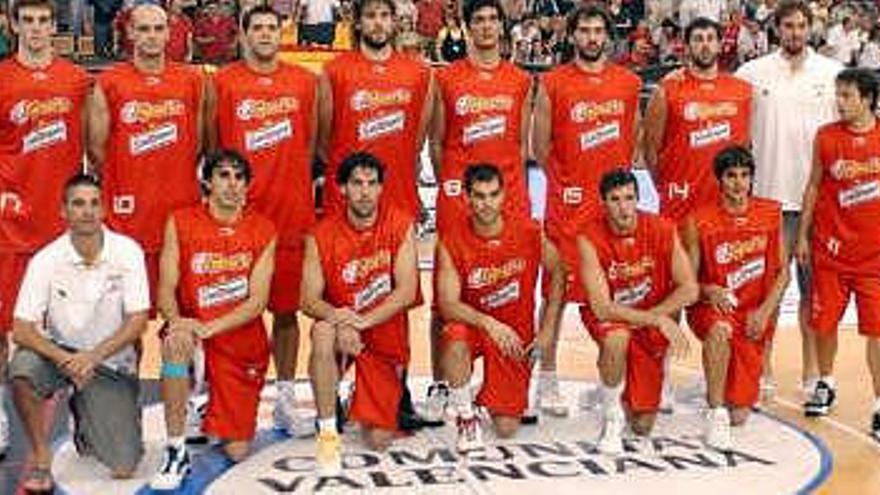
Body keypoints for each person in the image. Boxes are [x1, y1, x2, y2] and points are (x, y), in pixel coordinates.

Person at [207, 3, 318, 436]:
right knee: (230, 311)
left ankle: (286, 398)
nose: (266, 34)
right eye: (258, 28)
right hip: (238, 216)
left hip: (291, 215)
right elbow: (214, 146)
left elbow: (313, 146)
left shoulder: (306, 83)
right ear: (244, 33)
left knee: (287, 314)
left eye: (273, 27)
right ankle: (221, 399)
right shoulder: (224, 83)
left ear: (282, 31)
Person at [532, 3, 642, 416]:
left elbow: (632, 139)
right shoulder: (553, 82)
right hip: (568, 206)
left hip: (612, 207)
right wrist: (569, 182)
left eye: (599, 31)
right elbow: (539, 148)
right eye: (585, 30)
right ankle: (547, 378)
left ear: (607, 37)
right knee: (556, 292)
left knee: (612, 292)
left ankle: (607, 382)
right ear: (573, 36)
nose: (592, 37)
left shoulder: (629, 83)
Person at [426, 0, 533, 420]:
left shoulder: (521, 80)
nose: (487, 27)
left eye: (493, 20)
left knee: (516, 288)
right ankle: (442, 384)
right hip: (459, 191)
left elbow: (522, 143)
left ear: (502, 28)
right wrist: (450, 182)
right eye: (479, 21)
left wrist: (515, 189)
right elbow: (436, 141)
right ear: (467, 28)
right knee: (445, 295)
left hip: (509, 192)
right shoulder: (447, 78)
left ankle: (512, 376)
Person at [10, 173, 149, 492]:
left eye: (94, 203)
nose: (87, 211)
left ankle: (88, 415)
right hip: (61, 356)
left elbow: (138, 319)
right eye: (78, 204)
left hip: (109, 360)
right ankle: (42, 455)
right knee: (22, 371)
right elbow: (21, 329)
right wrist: (65, 359)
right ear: (64, 211)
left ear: (104, 209)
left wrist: (93, 357)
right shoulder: (46, 259)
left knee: (125, 465)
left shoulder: (128, 251)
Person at [150, 150, 277, 489]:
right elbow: (166, 289)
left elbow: (257, 302)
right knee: (174, 344)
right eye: (223, 175)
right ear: (207, 181)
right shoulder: (180, 221)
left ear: (248, 186)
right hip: (192, 332)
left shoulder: (264, 230)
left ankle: (210, 402)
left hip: (240, 340)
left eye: (239, 177)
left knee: (237, 451)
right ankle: (176, 448)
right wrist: (178, 323)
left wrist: (208, 328)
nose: (232, 184)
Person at [736, 0, 842, 398]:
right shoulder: (751, 73)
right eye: (788, 26)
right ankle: (761, 373)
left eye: (801, 26)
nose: (795, 32)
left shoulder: (833, 75)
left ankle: (812, 373)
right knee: (767, 294)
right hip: (767, 202)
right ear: (776, 29)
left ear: (810, 28)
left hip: (819, 204)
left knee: (814, 295)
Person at [0, 0, 92, 458]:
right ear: (13, 25)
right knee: (3, 325)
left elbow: (90, 146)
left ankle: (83, 414)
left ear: (53, 28)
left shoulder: (75, 79)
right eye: (28, 20)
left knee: (72, 326)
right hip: (11, 225)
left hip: (62, 228)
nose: (36, 29)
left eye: (43, 21)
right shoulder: (1, 78)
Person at [303, 152, 418, 474]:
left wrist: (362, 321)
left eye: (371, 184)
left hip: (383, 330)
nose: (365, 192)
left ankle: (358, 392)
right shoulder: (320, 235)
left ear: (381, 189)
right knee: (321, 332)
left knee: (379, 440)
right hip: (342, 330)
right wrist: (342, 318)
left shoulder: (400, 224)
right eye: (356, 184)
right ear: (341, 189)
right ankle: (328, 432)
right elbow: (308, 300)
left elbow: (407, 291)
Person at [437, 163, 564, 451]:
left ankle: (485, 397)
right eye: (479, 196)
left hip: (515, 334)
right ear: (466, 198)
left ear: (504, 195)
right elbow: (447, 304)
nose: (486, 203)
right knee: (454, 336)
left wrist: (546, 329)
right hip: (475, 326)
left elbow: (558, 272)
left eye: (493, 195)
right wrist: (490, 323)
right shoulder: (451, 240)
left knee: (506, 429)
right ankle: (466, 418)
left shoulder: (529, 231)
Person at [88, 2, 204, 310]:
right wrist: (127, 173)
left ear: (169, 33)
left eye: (158, 29)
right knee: (127, 313)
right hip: (127, 211)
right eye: (143, 29)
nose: (151, 36)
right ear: (130, 33)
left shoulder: (192, 80)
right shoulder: (109, 82)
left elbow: (201, 142)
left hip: (180, 206)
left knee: (181, 311)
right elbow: (96, 148)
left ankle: (174, 362)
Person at [577, 168, 697, 455]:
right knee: (616, 337)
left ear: (639, 199)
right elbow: (603, 309)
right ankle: (611, 415)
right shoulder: (588, 237)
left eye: (630, 198)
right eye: (615, 199)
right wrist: (657, 319)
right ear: (603, 203)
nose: (624, 207)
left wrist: (655, 314)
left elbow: (689, 289)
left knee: (643, 426)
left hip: (645, 318)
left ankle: (620, 383)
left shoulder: (663, 228)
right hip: (612, 319)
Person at [682, 146, 788, 450]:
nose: (739, 183)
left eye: (745, 175)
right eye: (731, 176)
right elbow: (689, 283)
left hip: (753, 313)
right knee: (720, 331)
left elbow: (783, 273)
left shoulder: (770, 213)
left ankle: (719, 379)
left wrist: (766, 312)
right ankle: (714, 414)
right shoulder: (698, 220)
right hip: (714, 310)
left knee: (740, 415)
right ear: (719, 180)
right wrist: (709, 290)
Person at [795, 68, 880, 441]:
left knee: (877, 332)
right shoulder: (826, 136)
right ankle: (826, 383)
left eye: (847, 95)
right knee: (824, 324)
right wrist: (802, 236)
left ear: (868, 99)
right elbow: (814, 185)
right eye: (838, 94)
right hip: (830, 250)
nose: (839, 102)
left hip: (874, 257)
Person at [319, 0, 433, 219]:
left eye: (384, 15)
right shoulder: (334, 70)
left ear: (394, 21)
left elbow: (417, 140)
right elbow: (323, 142)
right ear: (359, 23)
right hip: (347, 197)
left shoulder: (419, 73)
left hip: (398, 191)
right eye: (371, 16)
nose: (378, 23)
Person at [643, 16, 752, 225]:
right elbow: (650, 150)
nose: (705, 45)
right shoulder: (667, 90)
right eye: (698, 39)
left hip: (725, 201)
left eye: (711, 39)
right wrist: (669, 183)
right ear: (686, 46)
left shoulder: (742, 90)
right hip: (681, 201)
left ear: (720, 45)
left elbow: (745, 143)